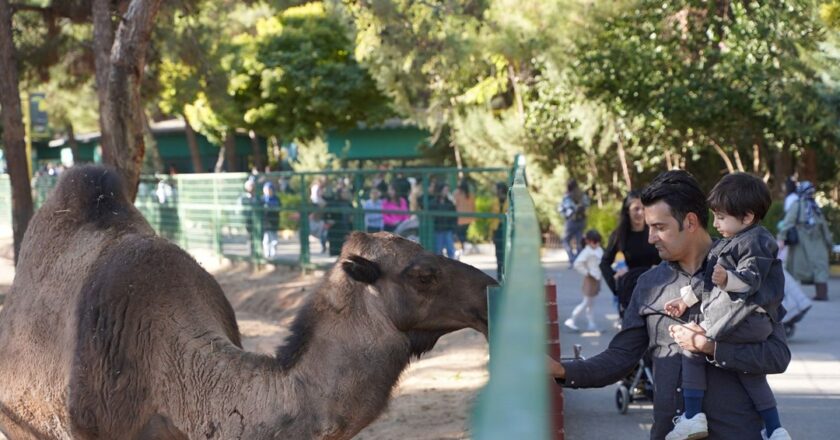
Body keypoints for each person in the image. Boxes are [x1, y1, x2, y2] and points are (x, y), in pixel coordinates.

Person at [548, 170, 791, 440]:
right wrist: (562, 370)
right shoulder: (647, 284)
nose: (650, 238)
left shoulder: (749, 269)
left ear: (689, 222)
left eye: (660, 227)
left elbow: (777, 355)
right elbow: (621, 357)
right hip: (669, 433)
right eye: (649, 227)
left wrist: (712, 348)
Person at [662, 173, 788, 440]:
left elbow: (750, 280)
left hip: (745, 319)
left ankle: (693, 415)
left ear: (747, 217)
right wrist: (684, 300)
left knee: (691, 348)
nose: (716, 223)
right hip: (748, 322)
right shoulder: (732, 242)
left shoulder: (756, 241)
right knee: (752, 374)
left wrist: (727, 279)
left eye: (721, 217)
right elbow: (705, 281)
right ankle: (775, 429)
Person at [600, 190, 662, 319]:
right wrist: (616, 286)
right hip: (629, 294)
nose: (640, 212)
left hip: (654, 291)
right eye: (636, 209)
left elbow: (666, 258)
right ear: (627, 210)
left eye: (643, 208)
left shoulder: (655, 232)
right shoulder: (619, 235)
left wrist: (660, 268)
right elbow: (604, 263)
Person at [778, 181, 833, 301]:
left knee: (794, 268)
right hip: (817, 242)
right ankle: (821, 294)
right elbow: (824, 226)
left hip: (801, 243)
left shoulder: (797, 205)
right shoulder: (815, 207)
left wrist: (781, 237)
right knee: (819, 267)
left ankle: (787, 295)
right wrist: (829, 243)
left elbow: (788, 223)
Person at [564, 230, 604, 332]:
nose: (596, 244)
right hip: (590, 279)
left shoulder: (599, 250)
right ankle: (571, 320)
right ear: (588, 242)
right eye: (594, 242)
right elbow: (577, 264)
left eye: (598, 242)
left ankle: (591, 324)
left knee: (591, 304)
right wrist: (587, 272)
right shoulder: (587, 252)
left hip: (596, 279)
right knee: (586, 302)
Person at [558, 178, 589, 266]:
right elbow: (587, 204)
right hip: (582, 220)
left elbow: (561, 208)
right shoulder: (582, 195)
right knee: (579, 241)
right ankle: (579, 259)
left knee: (565, 240)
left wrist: (564, 214)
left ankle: (572, 258)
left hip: (571, 221)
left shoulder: (567, 196)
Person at [429, 183, 457, 258]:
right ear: (440, 191)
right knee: (438, 251)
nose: (446, 192)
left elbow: (454, 216)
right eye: (444, 190)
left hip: (448, 229)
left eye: (447, 190)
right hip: (438, 229)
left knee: (450, 250)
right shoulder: (433, 203)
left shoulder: (449, 203)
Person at [453, 178, 477, 257]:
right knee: (464, 234)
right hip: (469, 218)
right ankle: (464, 248)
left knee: (458, 234)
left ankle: (461, 249)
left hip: (460, 218)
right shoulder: (471, 194)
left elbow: (454, 204)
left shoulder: (456, 193)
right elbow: (473, 206)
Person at [491, 182, 509, 280]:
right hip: (497, 230)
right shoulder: (495, 201)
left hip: (505, 230)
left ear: (501, 190)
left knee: (506, 256)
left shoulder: (509, 200)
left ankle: (506, 277)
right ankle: (499, 278)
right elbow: (492, 217)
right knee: (498, 256)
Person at [261, 181, 281, 260]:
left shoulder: (276, 199)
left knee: (274, 240)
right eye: (266, 190)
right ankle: (267, 254)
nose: (268, 191)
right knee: (266, 239)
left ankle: (273, 254)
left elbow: (279, 208)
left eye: (269, 189)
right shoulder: (262, 199)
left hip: (274, 222)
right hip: (265, 223)